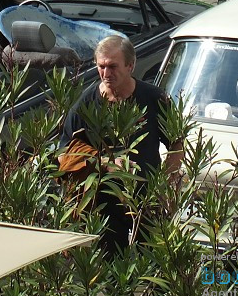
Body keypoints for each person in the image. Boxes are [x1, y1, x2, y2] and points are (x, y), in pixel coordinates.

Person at [61, 35, 181, 253]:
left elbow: (176, 142)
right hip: (104, 203)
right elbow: (63, 154)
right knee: (113, 273)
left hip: (146, 200)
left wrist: (165, 183)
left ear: (130, 65)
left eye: (113, 66)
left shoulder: (154, 99)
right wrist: (105, 162)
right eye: (101, 67)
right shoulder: (86, 104)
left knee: (154, 266)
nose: (106, 74)